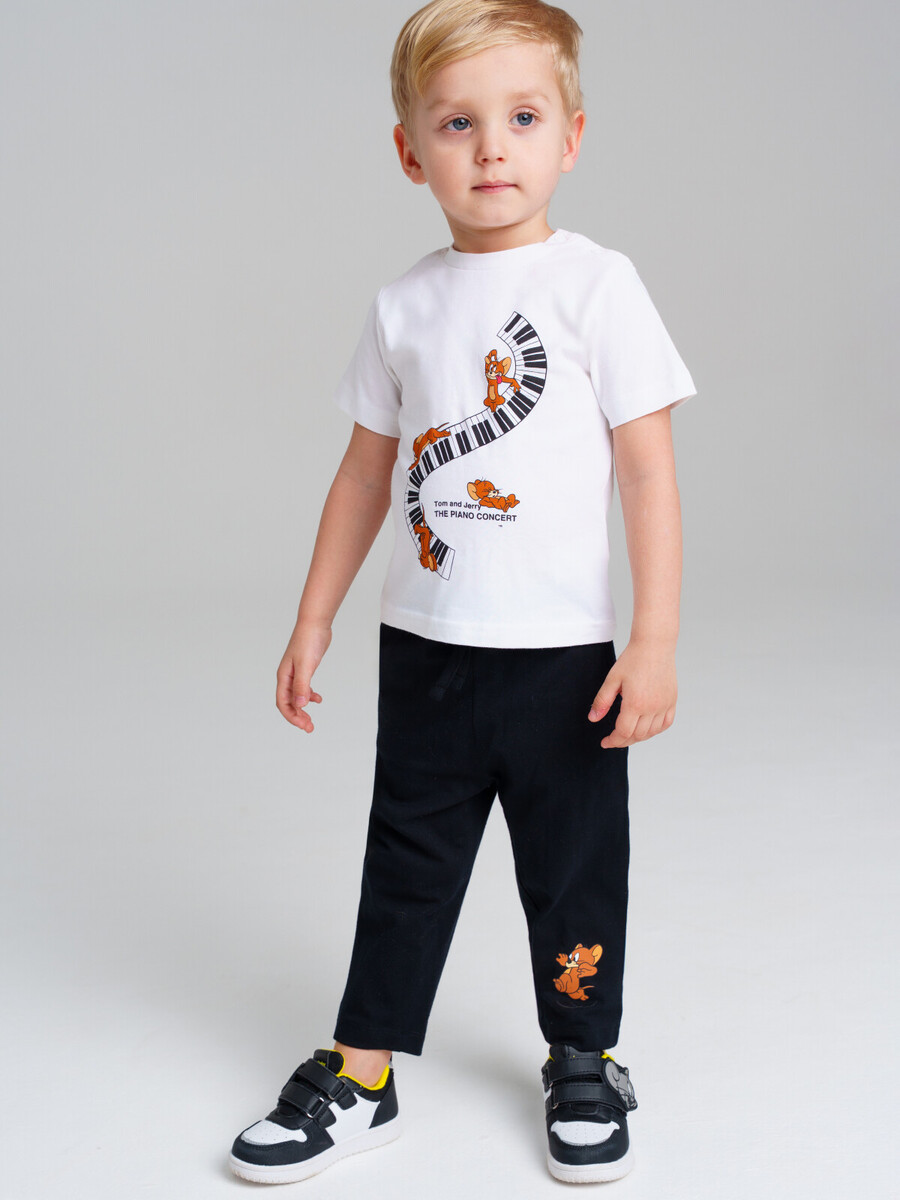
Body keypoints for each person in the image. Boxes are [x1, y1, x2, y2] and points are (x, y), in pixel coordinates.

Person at [229, 0, 696, 1186]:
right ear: (410, 151)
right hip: (428, 649)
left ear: (571, 138)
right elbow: (363, 474)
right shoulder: (404, 305)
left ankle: (584, 1055)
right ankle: (364, 1070)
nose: (492, 148)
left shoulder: (599, 286)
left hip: (566, 661)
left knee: (574, 868)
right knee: (406, 862)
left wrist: (653, 639)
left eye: (523, 118)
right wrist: (314, 617)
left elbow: (648, 471)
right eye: (457, 123)